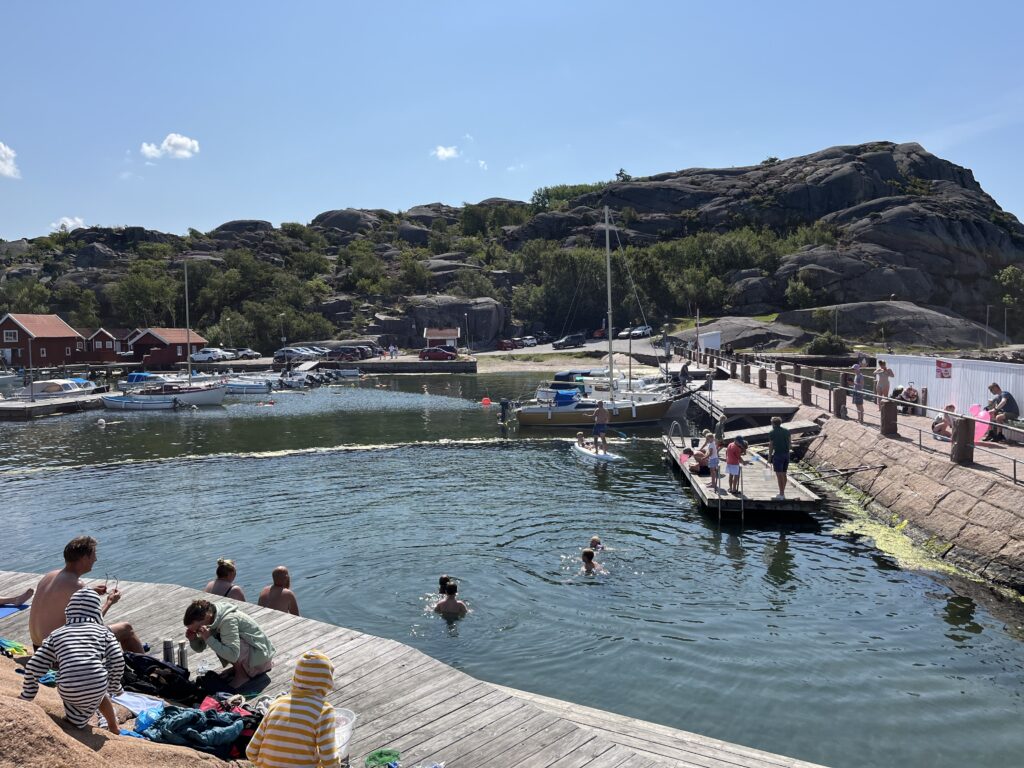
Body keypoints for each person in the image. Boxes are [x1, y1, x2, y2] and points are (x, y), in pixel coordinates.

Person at [21, 588, 124, 735]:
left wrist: (27, 694)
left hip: (69, 687)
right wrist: (114, 685)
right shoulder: (104, 632)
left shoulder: (57, 634)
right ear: (96, 610)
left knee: (72, 690)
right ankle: (112, 727)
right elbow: (118, 659)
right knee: (101, 694)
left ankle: (76, 720)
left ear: (69, 610)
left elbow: (34, 664)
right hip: (98, 684)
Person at [29, 535, 143, 653]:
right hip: (58, 653)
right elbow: (94, 624)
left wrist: (91, 592)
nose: (95, 559)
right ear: (84, 558)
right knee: (126, 629)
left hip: (39, 648)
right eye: (94, 554)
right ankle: (147, 669)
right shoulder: (77, 586)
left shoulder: (50, 575)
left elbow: (58, 599)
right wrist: (109, 602)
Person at [247, 649, 339, 768]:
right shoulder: (324, 711)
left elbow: (251, 752)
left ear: (295, 678)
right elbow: (331, 762)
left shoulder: (277, 704)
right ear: (327, 682)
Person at [184, 598, 276, 689]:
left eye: (197, 629)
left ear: (207, 616)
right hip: (255, 656)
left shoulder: (227, 620)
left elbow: (232, 655)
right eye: (195, 631)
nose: (198, 631)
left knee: (222, 640)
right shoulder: (212, 616)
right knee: (220, 639)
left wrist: (208, 638)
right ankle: (238, 669)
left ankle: (242, 676)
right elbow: (201, 648)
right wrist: (193, 639)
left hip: (260, 659)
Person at [768, 416, 791, 500]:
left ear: (773, 423)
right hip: (786, 455)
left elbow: (771, 446)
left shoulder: (772, 432)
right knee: (784, 474)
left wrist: (769, 457)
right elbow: (789, 443)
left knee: (779, 475)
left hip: (778, 455)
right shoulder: (786, 431)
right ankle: (782, 493)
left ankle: (781, 495)